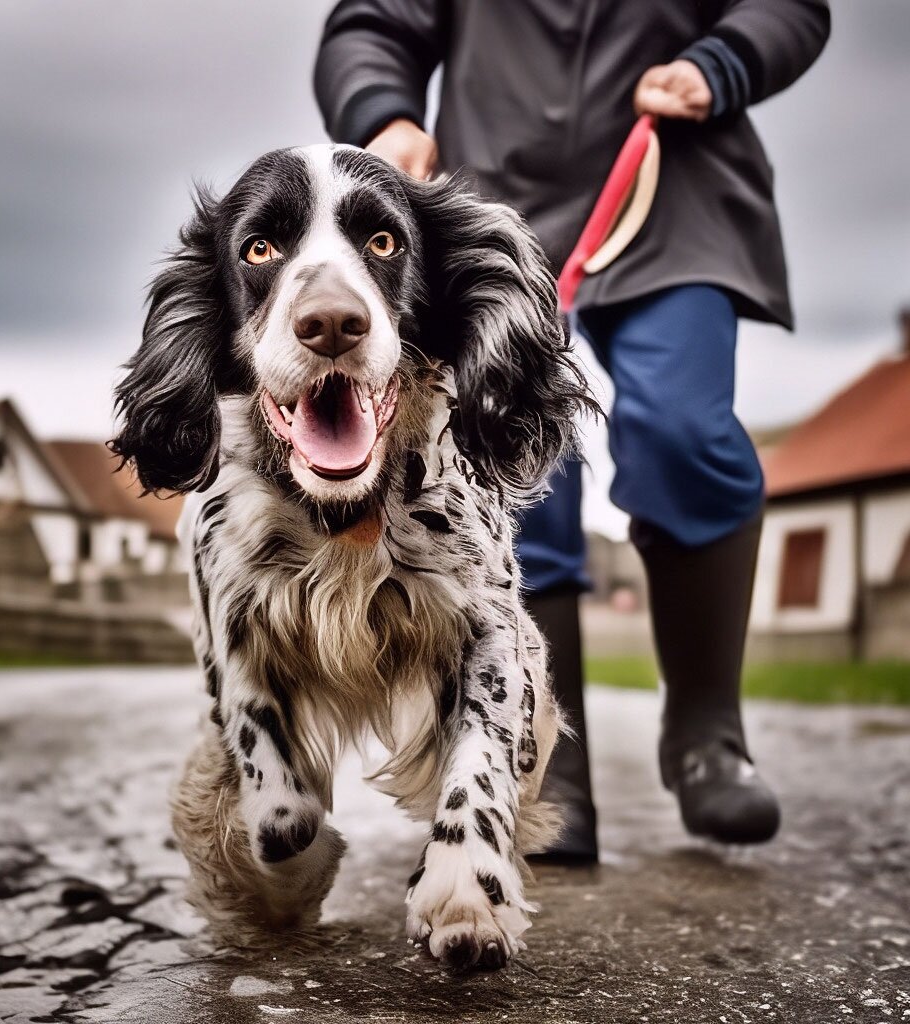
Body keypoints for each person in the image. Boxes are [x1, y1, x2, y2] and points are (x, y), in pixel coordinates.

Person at [314, 0, 830, 862]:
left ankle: (708, 737)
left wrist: (721, 65)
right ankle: (546, 761)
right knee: (511, 463)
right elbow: (374, 23)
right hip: (492, 197)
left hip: (673, 178)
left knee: (681, 429)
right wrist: (386, 115)